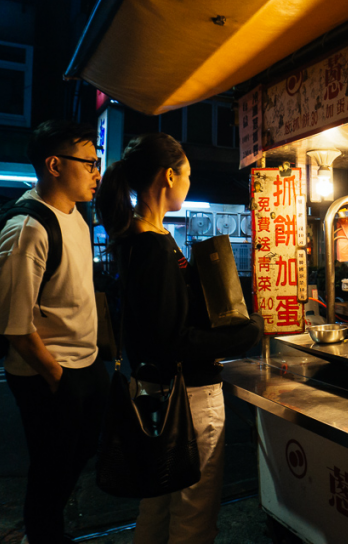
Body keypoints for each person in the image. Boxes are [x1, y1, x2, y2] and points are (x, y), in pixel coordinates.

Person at [95, 133, 263, 544]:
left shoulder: (136, 241)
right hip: (187, 399)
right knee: (193, 515)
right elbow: (174, 341)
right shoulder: (152, 247)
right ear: (170, 176)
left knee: (156, 507)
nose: (189, 184)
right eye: (187, 175)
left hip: (155, 392)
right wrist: (248, 332)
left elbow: (159, 325)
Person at [0, 120, 109, 544]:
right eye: (90, 164)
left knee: (74, 459)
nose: (98, 172)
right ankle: (42, 536)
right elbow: (15, 326)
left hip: (84, 364)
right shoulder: (28, 230)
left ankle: (47, 530)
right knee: (51, 469)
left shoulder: (76, 215)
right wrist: (58, 378)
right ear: (55, 165)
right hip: (46, 374)